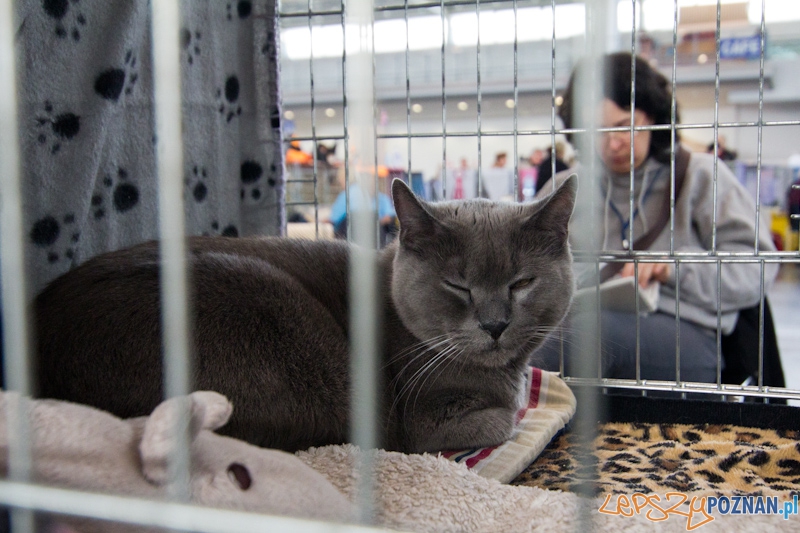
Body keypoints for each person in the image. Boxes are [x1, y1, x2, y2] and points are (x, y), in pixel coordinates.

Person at [535, 52, 778, 384]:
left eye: (623, 126)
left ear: (651, 116)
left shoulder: (701, 176)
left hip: (686, 334)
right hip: (582, 319)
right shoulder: (565, 189)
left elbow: (757, 268)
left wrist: (674, 268)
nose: (613, 143)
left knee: (585, 335)